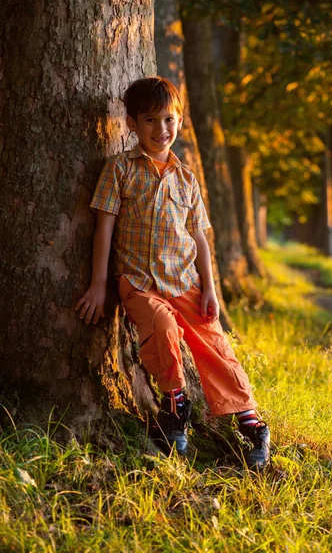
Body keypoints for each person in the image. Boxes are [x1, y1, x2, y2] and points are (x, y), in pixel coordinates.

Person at [76, 77, 270, 469]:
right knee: (162, 327)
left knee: (214, 344)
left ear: (179, 120)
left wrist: (211, 289)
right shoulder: (119, 170)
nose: (161, 130)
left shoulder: (186, 179)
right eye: (150, 120)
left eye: (169, 119)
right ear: (131, 123)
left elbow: (200, 239)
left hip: (185, 281)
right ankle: (174, 407)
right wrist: (99, 285)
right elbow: (103, 229)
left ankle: (250, 421)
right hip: (138, 281)